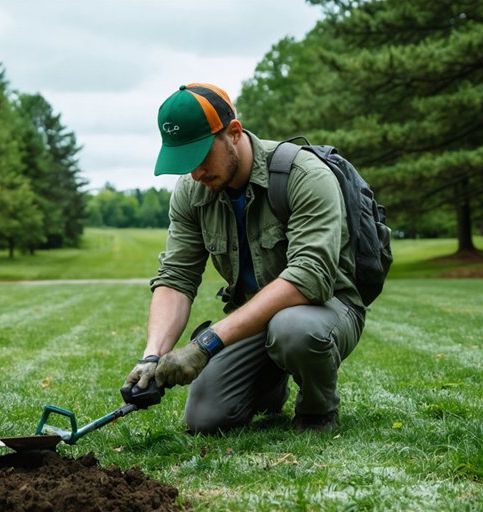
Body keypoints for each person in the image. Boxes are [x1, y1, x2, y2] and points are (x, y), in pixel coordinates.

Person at [122, 82, 365, 433]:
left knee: (292, 329)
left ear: (233, 132)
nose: (195, 174)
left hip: (327, 309)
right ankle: (268, 386)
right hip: (253, 317)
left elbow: (308, 277)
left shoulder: (304, 176)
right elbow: (176, 276)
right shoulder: (194, 191)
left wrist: (207, 343)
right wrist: (152, 355)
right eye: (185, 163)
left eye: (201, 157)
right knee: (205, 419)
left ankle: (317, 409)